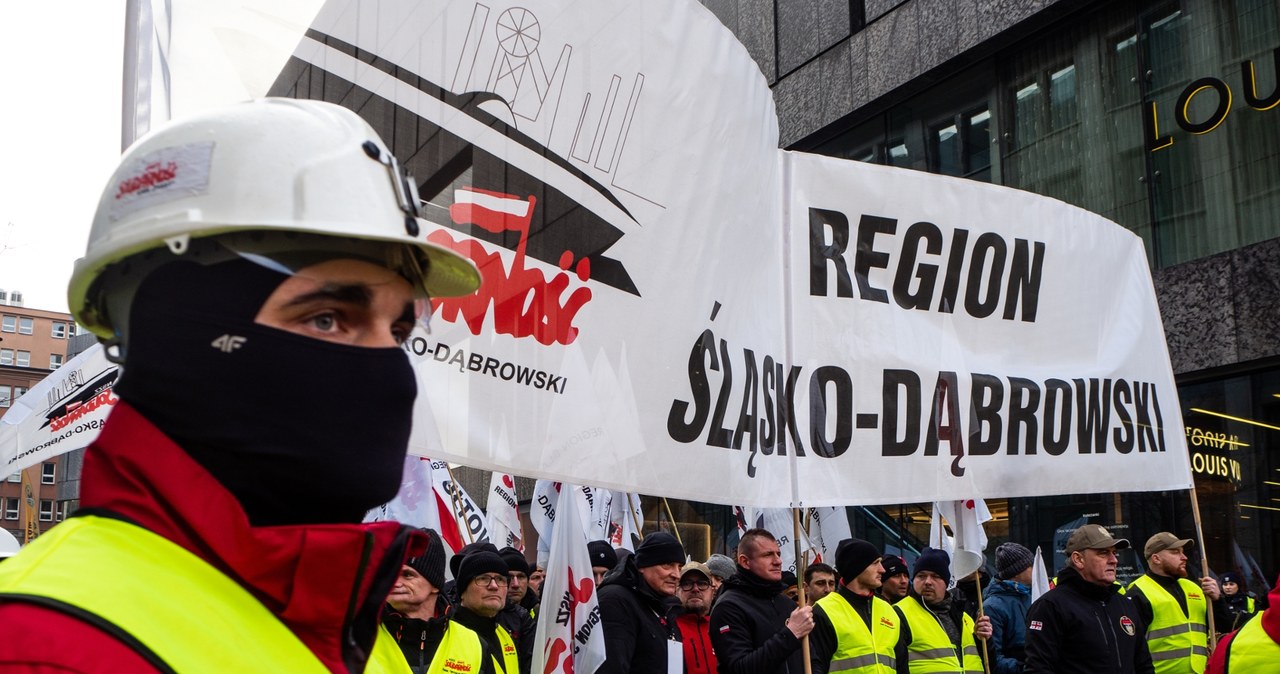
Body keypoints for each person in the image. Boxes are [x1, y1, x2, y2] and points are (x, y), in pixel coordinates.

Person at [0, 98, 482, 672]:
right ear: (173, 331)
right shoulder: (38, 646)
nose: (389, 371)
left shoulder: (358, 632)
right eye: (327, 318)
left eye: (399, 330)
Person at [1024, 524, 1153, 674]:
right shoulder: (1050, 606)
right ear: (1078, 559)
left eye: (1114, 553)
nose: (1114, 560)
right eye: (1103, 553)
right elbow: (1038, 668)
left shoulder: (1124, 604)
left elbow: (1143, 664)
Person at [385, 529, 493, 674]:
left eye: (407, 574)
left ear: (435, 585)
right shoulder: (356, 639)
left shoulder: (474, 644)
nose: (395, 582)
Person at [708, 528, 814, 674]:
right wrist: (791, 633)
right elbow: (739, 668)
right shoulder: (729, 607)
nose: (778, 561)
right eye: (768, 555)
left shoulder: (787, 604)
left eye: (778, 554)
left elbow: (812, 659)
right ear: (745, 561)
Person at [1125, 532, 1223, 674]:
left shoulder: (1194, 588)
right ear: (1156, 558)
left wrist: (1217, 600)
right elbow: (1130, 648)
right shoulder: (1138, 592)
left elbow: (1223, 627)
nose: (1184, 557)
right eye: (1175, 552)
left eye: (1183, 552)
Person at [809, 537, 907, 674]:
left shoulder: (887, 609)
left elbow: (902, 666)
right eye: (875, 563)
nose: (882, 569)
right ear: (856, 567)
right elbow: (817, 667)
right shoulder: (823, 611)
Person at [596, 532, 684, 674]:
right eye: (668, 565)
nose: (676, 575)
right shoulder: (615, 600)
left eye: (679, 567)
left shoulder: (664, 606)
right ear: (643, 565)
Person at [893, 548, 992, 673]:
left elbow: (988, 663)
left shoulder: (964, 617)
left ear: (946, 583)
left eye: (936, 576)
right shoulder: (899, 613)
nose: (928, 582)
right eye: (921, 576)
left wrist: (983, 640)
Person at [453, 551, 521, 674]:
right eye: (483, 578)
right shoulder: (446, 635)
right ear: (462, 591)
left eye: (501, 579)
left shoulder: (504, 635)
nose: (494, 586)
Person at [1206, 572, 1280, 674]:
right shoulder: (1213, 602)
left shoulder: (1250, 601)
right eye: (1225, 584)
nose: (1228, 587)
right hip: (1217, 646)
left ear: (1238, 586)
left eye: (1231, 584)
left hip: (1244, 642)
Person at [985, 542, 1035, 674]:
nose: (1035, 569)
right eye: (1030, 565)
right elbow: (993, 658)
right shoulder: (992, 607)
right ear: (1017, 572)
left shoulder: (1034, 596)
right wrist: (1026, 668)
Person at [496, 547, 537, 674]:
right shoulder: (490, 615)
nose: (515, 584)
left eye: (521, 576)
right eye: (509, 577)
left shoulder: (542, 612)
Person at [676, 561, 719, 674]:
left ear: (712, 591)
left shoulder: (722, 627)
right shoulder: (667, 628)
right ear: (677, 591)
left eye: (702, 583)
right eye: (686, 583)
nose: (695, 589)